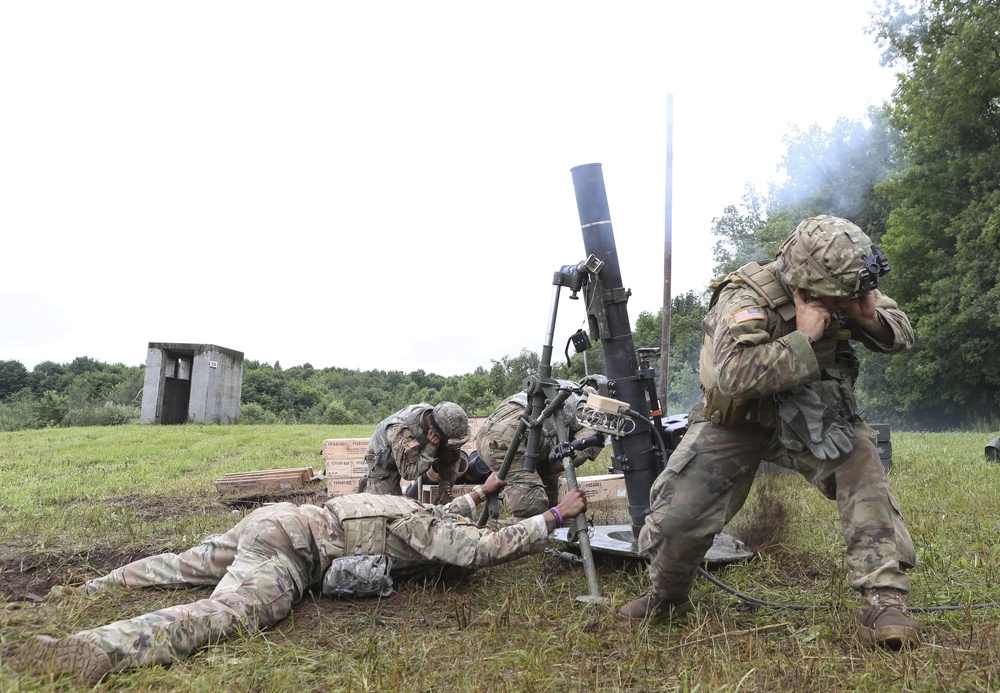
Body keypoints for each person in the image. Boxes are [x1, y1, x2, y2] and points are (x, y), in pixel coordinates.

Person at [618, 215, 921, 649]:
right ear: (807, 281)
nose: (844, 302)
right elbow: (733, 378)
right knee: (677, 521)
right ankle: (667, 597)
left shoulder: (844, 283)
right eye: (837, 297)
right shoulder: (746, 297)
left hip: (814, 418)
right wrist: (804, 336)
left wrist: (871, 320)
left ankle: (884, 602)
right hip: (735, 422)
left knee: (861, 460)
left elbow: (901, 332)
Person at [13, 474, 588, 684]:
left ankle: (87, 590)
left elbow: (450, 514)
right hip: (292, 547)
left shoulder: (408, 507)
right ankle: (95, 648)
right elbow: (482, 549)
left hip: (276, 518)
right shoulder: (425, 526)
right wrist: (554, 516)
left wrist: (479, 494)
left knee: (180, 563)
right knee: (235, 611)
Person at [475, 377, 604, 518]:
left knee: (548, 486)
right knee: (532, 510)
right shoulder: (592, 411)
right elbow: (571, 457)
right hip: (510, 442)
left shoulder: (567, 388)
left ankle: (551, 526)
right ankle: (502, 537)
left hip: (486, 435)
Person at [361, 401, 469, 503]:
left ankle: (444, 492)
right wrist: (431, 448)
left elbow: (451, 458)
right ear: (433, 430)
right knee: (387, 507)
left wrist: (445, 490)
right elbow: (409, 472)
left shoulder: (439, 418)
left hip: (412, 451)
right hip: (384, 461)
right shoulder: (402, 432)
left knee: (451, 451)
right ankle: (368, 486)